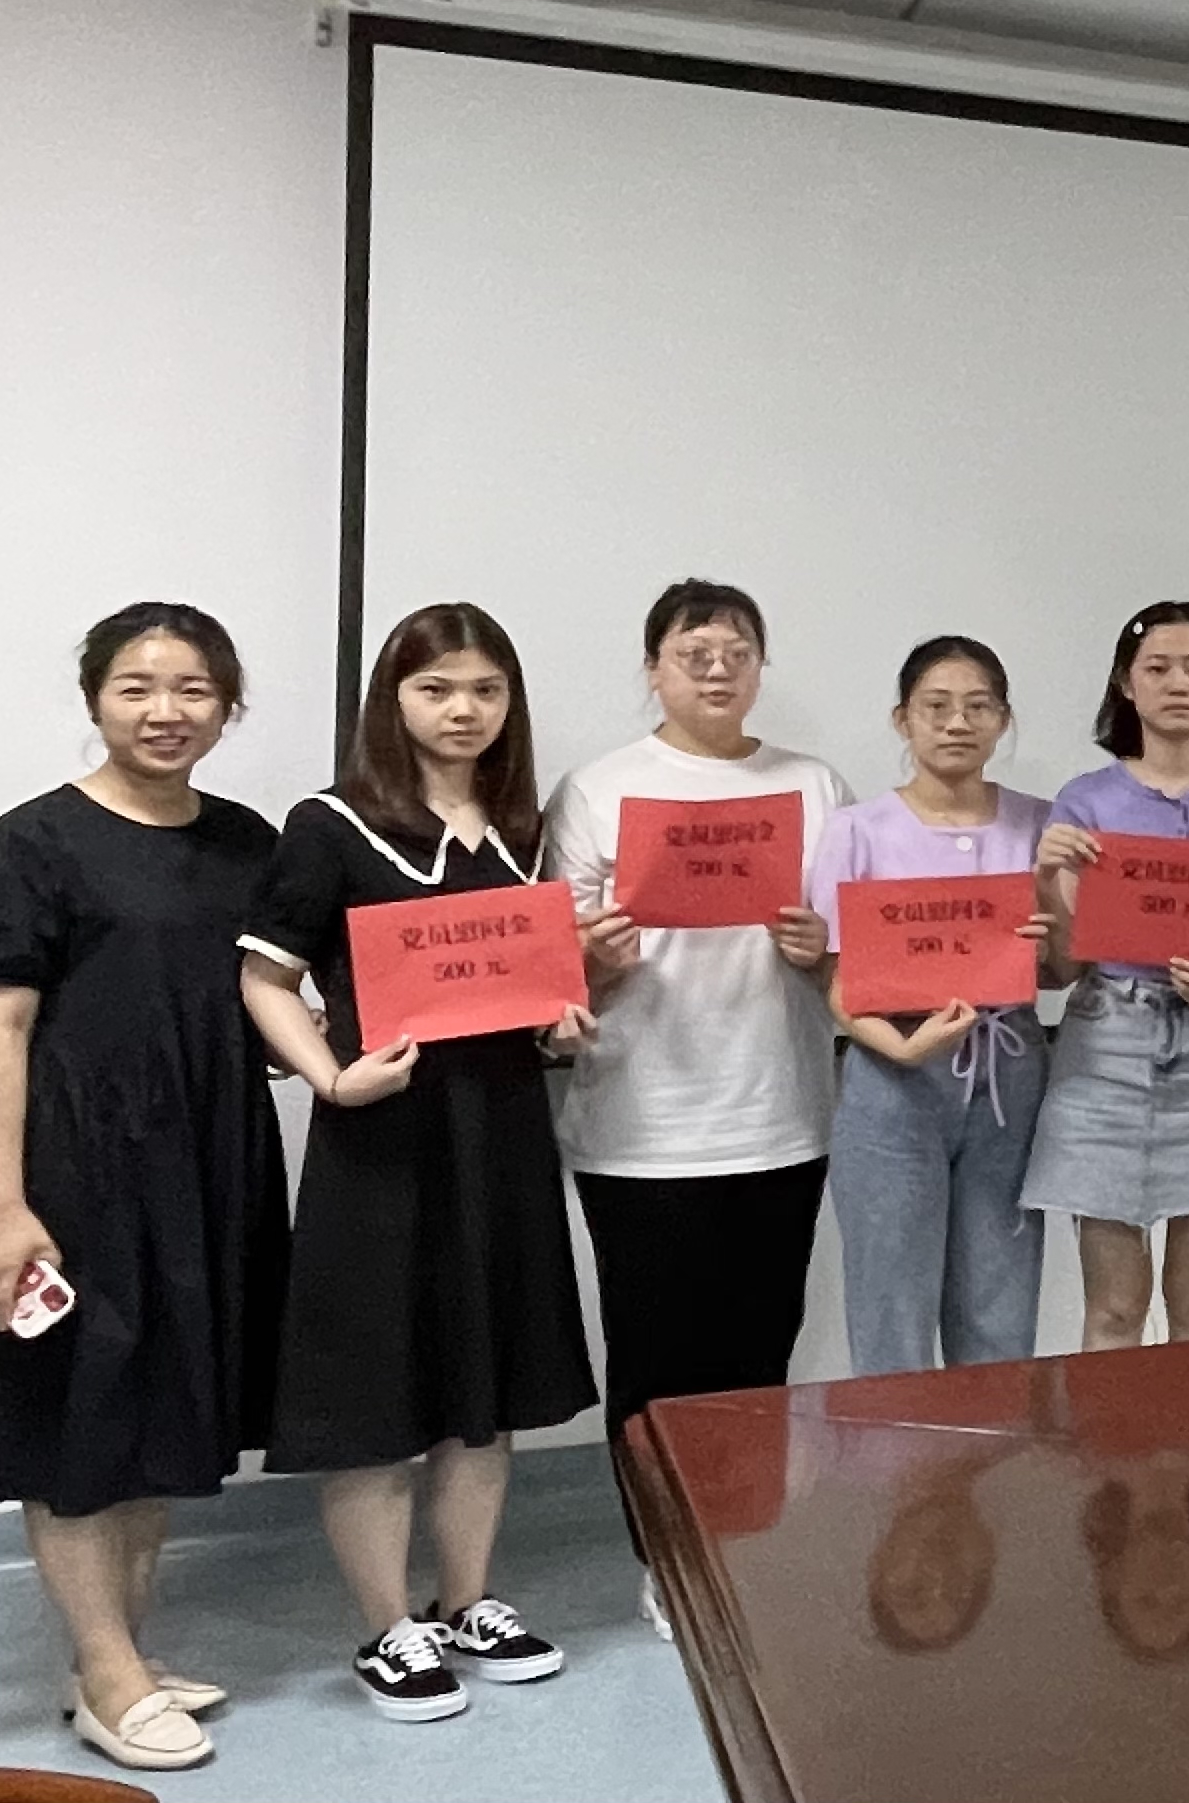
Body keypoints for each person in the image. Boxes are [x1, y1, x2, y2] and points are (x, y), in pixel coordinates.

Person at [0, 605, 290, 1775]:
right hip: (64, 1167)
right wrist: (1, 1204)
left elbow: (263, 996)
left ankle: (118, 1649)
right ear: (94, 699)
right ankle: (107, 1669)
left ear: (227, 705)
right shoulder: (31, 845)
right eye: (136, 686)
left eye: (193, 688)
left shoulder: (247, 843)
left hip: (201, 1161)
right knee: (76, 1414)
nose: (165, 711)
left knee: (162, 1406)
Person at [238, 602, 598, 1721]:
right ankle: (387, 1624)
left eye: (485, 690)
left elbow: (535, 984)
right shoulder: (331, 823)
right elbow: (264, 976)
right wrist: (331, 1075)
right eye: (436, 688)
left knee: (483, 1381)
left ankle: (469, 1597)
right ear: (392, 699)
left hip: (502, 1132)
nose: (462, 710)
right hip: (382, 1141)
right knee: (376, 1382)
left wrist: (561, 1023)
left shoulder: (523, 828)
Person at [544, 578, 853, 1623]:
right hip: (640, 1124)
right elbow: (551, 973)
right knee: (655, 1358)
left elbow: (859, 948)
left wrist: (823, 948)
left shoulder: (813, 784)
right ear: (653, 669)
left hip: (780, 1114)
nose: (717, 668)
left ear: (761, 666)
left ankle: (741, 1545)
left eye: (737, 651)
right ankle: (668, 1558)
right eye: (693, 651)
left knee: (758, 1355)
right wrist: (592, 957)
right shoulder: (598, 788)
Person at [1029, 602, 1189, 1349]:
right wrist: (1046, 881)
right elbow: (1063, 965)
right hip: (1104, 1051)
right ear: (1126, 684)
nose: (1178, 684)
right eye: (1158, 668)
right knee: (1113, 1308)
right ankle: (1113, 1438)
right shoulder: (1086, 800)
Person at [810, 637, 1055, 1375]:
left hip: (1008, 1069)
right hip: (892, 1077)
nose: (957, 723)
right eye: (936, 706)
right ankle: (897, 1455)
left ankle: (994, 1449)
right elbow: (835, 978)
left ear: (1003, 720)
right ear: (902, 719)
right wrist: (898, 1047)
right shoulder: (855, 830)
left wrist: (1054, 934)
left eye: (979, 707)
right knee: (892, 1303)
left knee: (1000, 1304)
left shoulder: (1043, 826)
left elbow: (1065, 968)